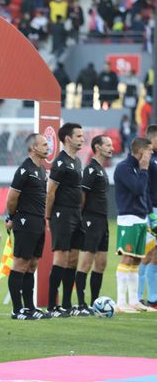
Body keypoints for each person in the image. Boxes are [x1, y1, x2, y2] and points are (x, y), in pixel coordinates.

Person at [6, 133, 50, 320]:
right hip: (25, 221)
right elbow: (12, 198)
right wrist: (12, 217)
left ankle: (30, 307)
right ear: (33, 148)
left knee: (32, 265)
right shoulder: (25, 170)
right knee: (20, 263)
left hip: (38, 221)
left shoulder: (40, 170)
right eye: (44, 144)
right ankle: (17, 310)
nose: (48, 147)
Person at [46, 123, 85, 317]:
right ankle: (52, 306)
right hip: (62, 214)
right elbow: (51, 192)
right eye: (78, 136)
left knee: (73, 260)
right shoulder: (60, 163)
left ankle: (68, 305)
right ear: (68, 139)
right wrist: (48, 216)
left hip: (76, 214)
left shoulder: (77, 162)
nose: (82, 139)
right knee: (60, 258)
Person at [73, 135, 113, 316]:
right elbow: (82, 195)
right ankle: (81, 304)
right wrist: (82, 218)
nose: (112, 148)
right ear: (97, 147)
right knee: (86, 262)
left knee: (102, 263)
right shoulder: (90, 170)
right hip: (91, 219)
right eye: (108, 145)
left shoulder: (101, 169)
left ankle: (95, 303)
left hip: (103, 221)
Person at [114, 137, 152, 312]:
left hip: (140, 218)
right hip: (128, 218)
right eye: (150, 151)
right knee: (127, 256)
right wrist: (144, 169)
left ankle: (134, 300)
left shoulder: (138, 169)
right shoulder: (124, 168)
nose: (152, 154)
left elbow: (144, 193)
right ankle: (121, 303)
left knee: (136, 259)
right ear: (142, 151)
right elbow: (137, 189)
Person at [139, 125, 157, 309]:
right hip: (151, 210)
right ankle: (137, 298)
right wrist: (150, 212)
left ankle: (153, 299)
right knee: (146, 253)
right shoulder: (147, 159)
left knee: (156, 255)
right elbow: (144, 188)